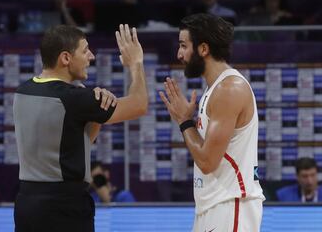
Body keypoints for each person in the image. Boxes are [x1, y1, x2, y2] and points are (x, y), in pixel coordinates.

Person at [13, 24, 148, 232]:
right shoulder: (75, 99)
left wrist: (93, 114)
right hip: (65, 207)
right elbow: (139, 104)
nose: (91, 56)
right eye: (85, 51)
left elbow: (75, 143)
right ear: (66, 58)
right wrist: (136, 64)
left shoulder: (23, 91)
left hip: (26, 205)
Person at [159, 13, 265, 232]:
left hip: (231, 205)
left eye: (183, 46)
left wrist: (184, 121)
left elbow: (207, 161)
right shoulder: (215, 88)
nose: (179, 54)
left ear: (203, 49)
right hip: (213, 205)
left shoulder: (229, 89)